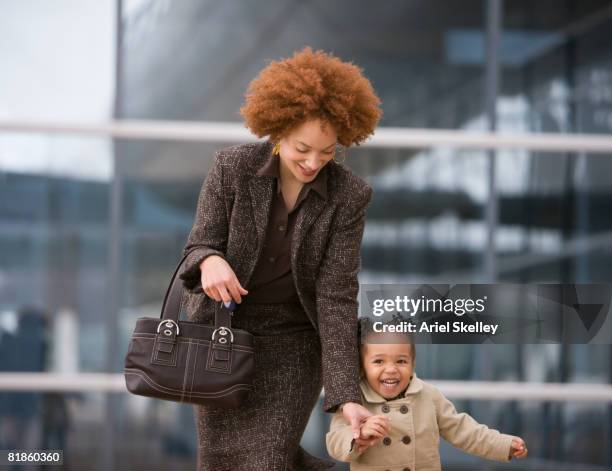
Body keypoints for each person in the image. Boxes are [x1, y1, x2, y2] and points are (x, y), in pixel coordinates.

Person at [178, 46, 383, 470]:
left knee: (268, 458)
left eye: (327, 152)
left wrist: (345, 395)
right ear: (277, 130)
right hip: (223, 336)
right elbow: (198, 244)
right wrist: (209, 261)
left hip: (294, 345)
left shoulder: (349, 196)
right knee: (221, 461)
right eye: (302, 148)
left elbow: (336, 296)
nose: (313, 163)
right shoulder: (231, 168)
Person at [326, 319, 528, 470]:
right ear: (363, 367)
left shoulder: (428, 395)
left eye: (401, 361)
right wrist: (358, 435)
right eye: (379, 361)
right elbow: (334, 441)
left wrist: (503, 444)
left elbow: (465, 431)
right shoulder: (354, 400)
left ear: (413, 364)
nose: (391, 369)